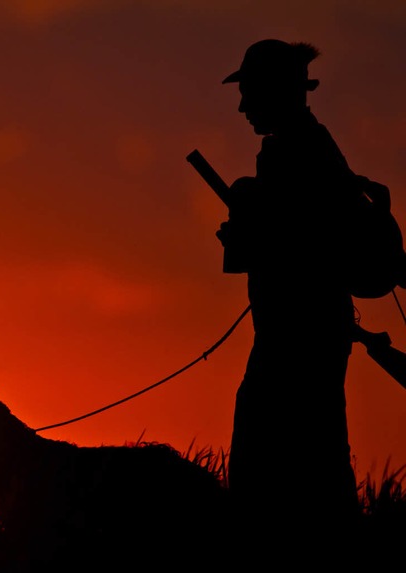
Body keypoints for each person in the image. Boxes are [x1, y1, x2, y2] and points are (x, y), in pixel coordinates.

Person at [217, 39, 362, 541]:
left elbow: (297, 245)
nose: (241, 106)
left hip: (294, 337)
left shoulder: (291, 154)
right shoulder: (310, 148)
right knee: (318, 459)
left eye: (250, 92)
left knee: (268, 466)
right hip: (310, 331)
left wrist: (246, 234)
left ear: (276, 92)